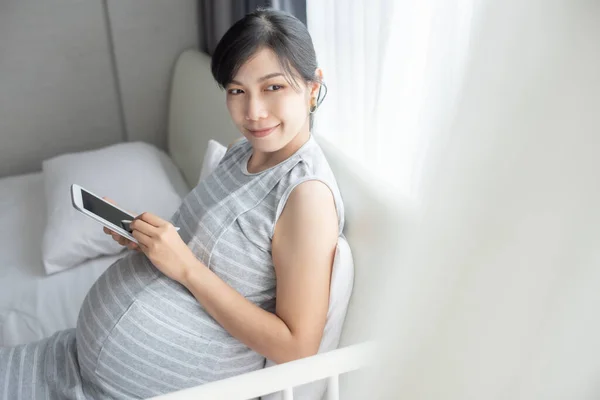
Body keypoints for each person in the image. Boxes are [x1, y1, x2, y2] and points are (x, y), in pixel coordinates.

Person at [0, 7, 348, 399]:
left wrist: (184, 268)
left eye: (273, 87)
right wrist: (152, 243)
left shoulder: (305, 196)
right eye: (237, 91)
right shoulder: (241, 153)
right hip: (70, 362)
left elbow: (296, 347)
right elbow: (208, 251)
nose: (253, 112)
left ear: (313, 87)